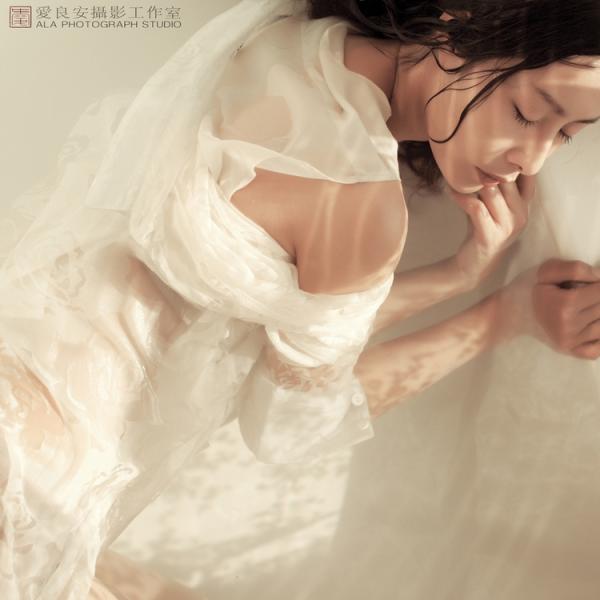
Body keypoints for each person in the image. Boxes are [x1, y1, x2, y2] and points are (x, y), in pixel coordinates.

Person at [0, 0, 598, 597]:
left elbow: (288, 310)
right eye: (527, 113)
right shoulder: (360, 205)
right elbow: (287, 430)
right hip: (37, 482)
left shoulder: (279, 33)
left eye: (567, 133)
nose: (532, 158)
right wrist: (494, 308)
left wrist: (458, 274)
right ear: (460, 21)